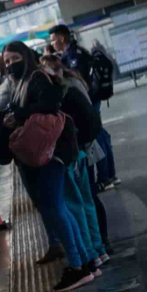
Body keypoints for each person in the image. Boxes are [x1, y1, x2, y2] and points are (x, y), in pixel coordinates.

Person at [0, 41, 96, 292]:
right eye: (6, 62)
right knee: (58, 208)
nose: (11, 64)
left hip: (50, 153)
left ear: (25, 56)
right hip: (44, 152)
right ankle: (85, 261)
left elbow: (49, 105)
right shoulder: (21, 82)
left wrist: (19, 114)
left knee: (56, 209)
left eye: (15, 58)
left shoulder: (37, 77)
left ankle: (78, 266)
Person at [40, 54, 112, 265]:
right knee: (87, 201)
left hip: (68, 159)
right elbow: (93, 121)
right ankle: (99, 249)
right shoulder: (72, 89)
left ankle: (90, 254)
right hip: (80, 154)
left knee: (74, 206)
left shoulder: (56, 99)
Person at [51, 24, 119, 188]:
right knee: (100, 135)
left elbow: (80, 82)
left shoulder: (74, 56)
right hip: (91, 100)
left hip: (89, 100)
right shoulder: (73, 53)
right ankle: (109, 175)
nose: (52, 43)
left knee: (96, 137)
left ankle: (105, 177)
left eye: (53, 39)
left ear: (61, 38)